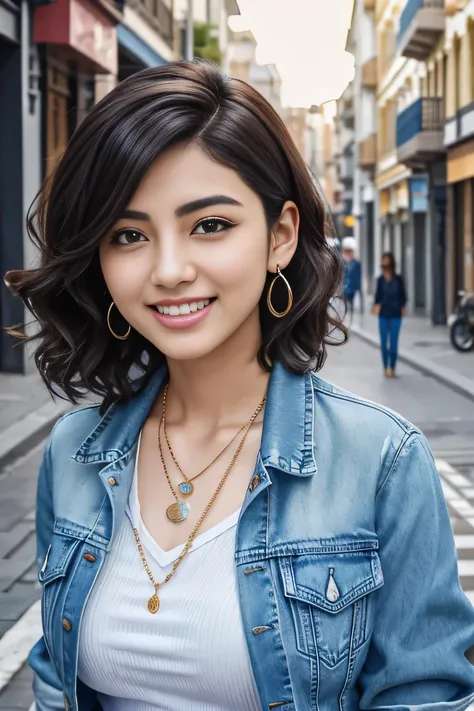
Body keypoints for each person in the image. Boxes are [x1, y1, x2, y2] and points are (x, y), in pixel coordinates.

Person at [4, 61, 474, 711]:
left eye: (210, 225)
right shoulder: (74, 450)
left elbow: (422, 696)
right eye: (130, 235)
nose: (169, 269)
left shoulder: (381, 461)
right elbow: (57, 684)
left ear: (280, 236)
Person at [373, 252, 407, 378]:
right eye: (383, 261)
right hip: (383, 314)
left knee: (393, 342)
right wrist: (376, 306)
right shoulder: (380, 280)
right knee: (383, 342)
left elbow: (403, 295)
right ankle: (385, 367)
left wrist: (403, 306)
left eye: (387, 261)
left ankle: (392, 367)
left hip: (396, 314)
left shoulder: (398, 279)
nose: (385, 263)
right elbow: (377, 296)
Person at [342, 236, 362, 322]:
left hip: (352, 290)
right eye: (347, 251)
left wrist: (358, 289)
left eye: (350, 251)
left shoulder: (356, 263)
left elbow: (358, 277)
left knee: (352, 310)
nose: (349, 253)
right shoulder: (341, 262)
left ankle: (351, 322)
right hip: (342, 290)